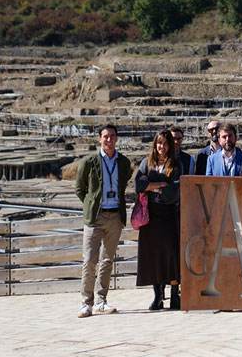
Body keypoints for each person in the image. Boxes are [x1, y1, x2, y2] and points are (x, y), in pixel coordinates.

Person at [74, 124, 132, 318]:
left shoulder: (123, 162)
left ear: (117, 139)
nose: (109, 140)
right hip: (95, 218)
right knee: (90, 261)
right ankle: (85, 303)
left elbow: (124, 183)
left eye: (113, 136)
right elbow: (80, 189)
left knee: (107, 261)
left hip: (115, 216)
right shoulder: (89, 161)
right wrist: (92, 205)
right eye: (106, 137)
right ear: (99, 139)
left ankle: (101, 301)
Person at [135, 130, 182, 311]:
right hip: (151, 216)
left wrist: (149, 186)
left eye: (165, 143)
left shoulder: (175, 165)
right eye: (159, 143)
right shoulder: (146, 163)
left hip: (169, 215)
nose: (161, 147)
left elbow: (173, 193)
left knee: (171, 255)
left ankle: (175, 295)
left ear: (170, 146)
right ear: (155, 144)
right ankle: (158, 296)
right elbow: (138, 185)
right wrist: (158, 185)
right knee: (154, 256)